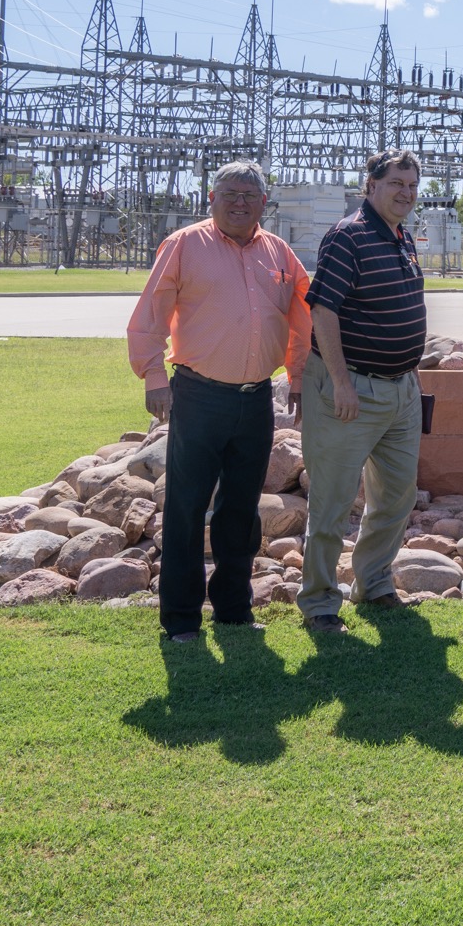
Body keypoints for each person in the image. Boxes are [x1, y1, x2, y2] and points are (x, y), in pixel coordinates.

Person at [127, 159, 310, 643]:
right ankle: (181, 619)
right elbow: (150, 314)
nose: (239, 202)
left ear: (264, 203)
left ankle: (233, 610)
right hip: (198, 395)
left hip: (256, 400)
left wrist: (297, 376)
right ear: (211, 198)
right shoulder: (185, 244)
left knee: (242, 509)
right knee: (186, 507)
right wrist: (153, 376)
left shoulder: (279, 253)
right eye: (230, 193)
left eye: (249, 195)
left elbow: (302, 317)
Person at [297, 148, 429, 634]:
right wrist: (340, 382)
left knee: (396, 496)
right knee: (332, 503)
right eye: (396, 183)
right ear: (370, 185)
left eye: (412, 185)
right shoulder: (347, 236)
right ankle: (319, 603)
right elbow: (323, 310)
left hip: (400, 391)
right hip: (351, 389)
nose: (405, 193)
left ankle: (372, 584)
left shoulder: (402, 236)